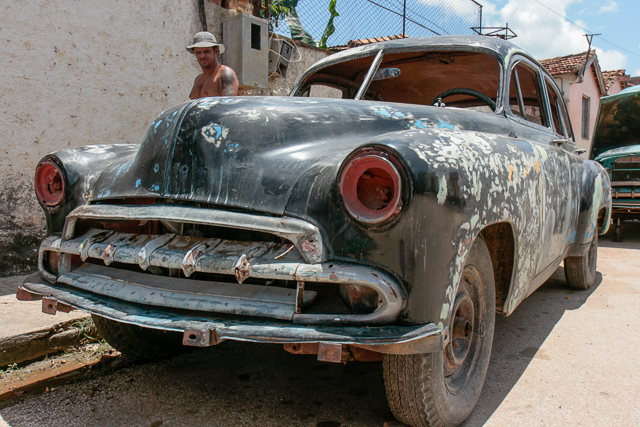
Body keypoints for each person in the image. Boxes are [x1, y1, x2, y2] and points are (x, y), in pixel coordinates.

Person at [187, 32, 239, 99]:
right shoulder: (198, 79)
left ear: (216, 51)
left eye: (206, 51)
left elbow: (228, 105)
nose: (202, 56)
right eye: (198, 52)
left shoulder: (224, 73)